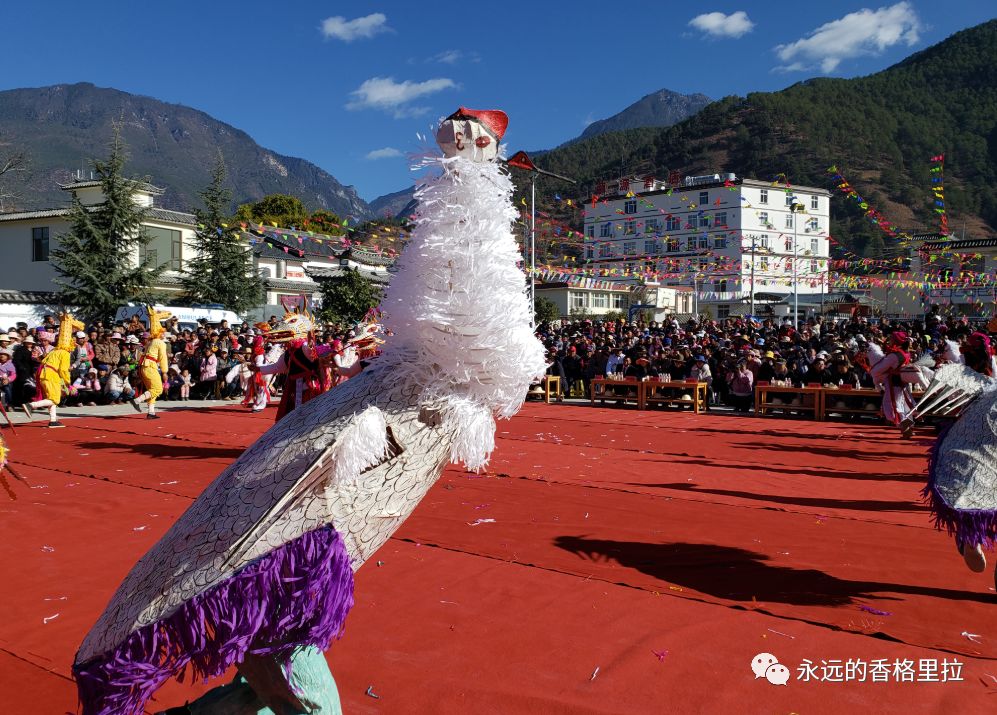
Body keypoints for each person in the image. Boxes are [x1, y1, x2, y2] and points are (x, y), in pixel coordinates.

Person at [22, 313, 84, 428]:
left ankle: (53, 420)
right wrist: (67, 383)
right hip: (51, 375)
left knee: (51, 397)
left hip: (44, 374)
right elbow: (64, 370)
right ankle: (31, 405)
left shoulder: (55, 351)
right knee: (54, 398)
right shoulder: (65, 353)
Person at [130, 307, 171, 420]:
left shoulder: (151, 342)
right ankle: (137, 400)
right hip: (150, 367)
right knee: (158, 389)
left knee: (152, 390)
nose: (164, 334)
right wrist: (164, 372)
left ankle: (151, 412)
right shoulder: (160, 343)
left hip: (144, 366)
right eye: (163, 332)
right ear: (160, 333)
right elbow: (163, 358)